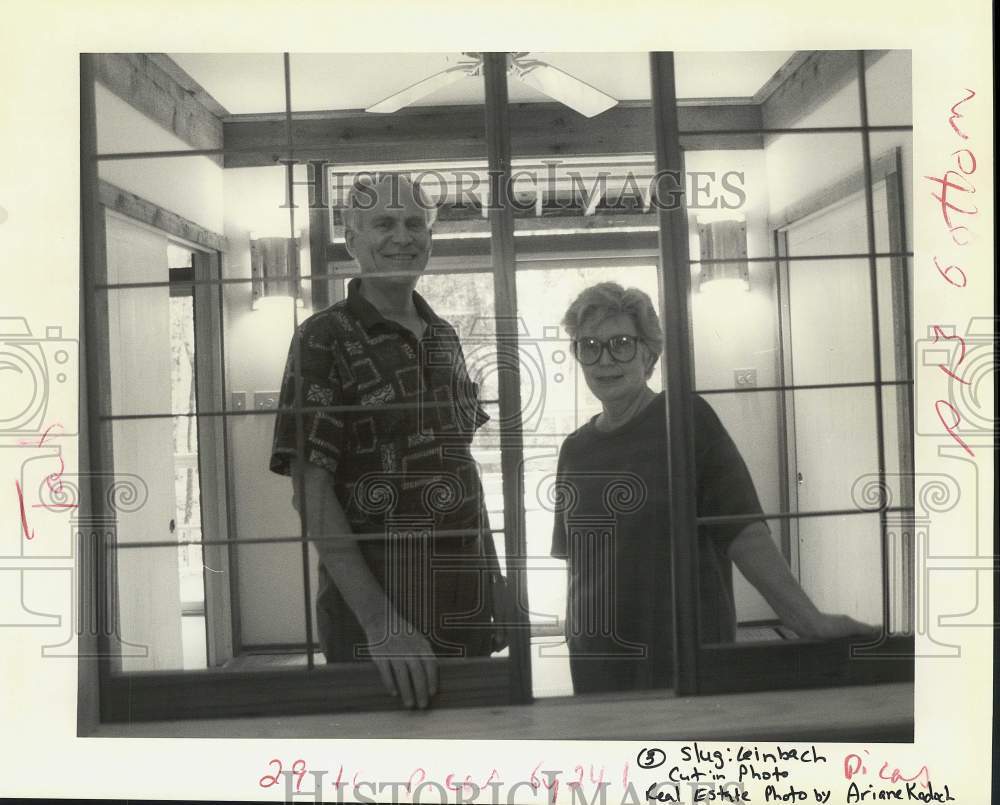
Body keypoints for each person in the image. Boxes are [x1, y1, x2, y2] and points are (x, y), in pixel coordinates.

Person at [550, 282, 876, 694]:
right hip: (599, 657)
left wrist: (806, 619)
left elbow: (744, 532)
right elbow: (577, 563)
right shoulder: (575, 449)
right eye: (590, 345)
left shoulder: (686, 420)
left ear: (649, 354)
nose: (604, 358)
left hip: (681, 649)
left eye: (620, 343)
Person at [270, 173, 506, 709]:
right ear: (351, 240)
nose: (403, 236)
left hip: (465, 607)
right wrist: (381, 624)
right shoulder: (323, 338)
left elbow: (459, 468)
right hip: (375, 621)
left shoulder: (443, 335)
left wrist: (497, 585)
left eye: (414, 223)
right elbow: (310, 490)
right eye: (384, 223)